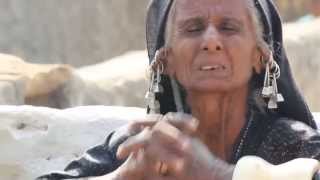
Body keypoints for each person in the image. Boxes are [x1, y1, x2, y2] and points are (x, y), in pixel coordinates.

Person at [38, 0, 320, 179]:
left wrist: (217, 175)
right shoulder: (141, 144)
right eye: (193, 28)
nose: (211, 41)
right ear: (166, 60)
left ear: (261, 58)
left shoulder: (296, 144)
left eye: (229, 27)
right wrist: (122, 177)